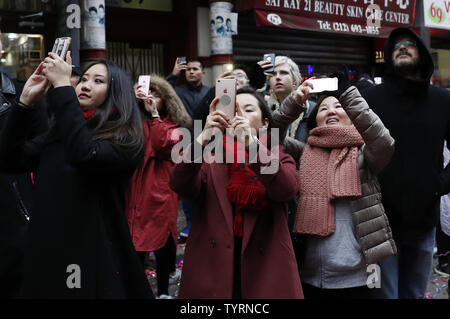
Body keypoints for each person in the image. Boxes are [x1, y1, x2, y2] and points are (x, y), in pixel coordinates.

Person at [0, 52, 153, 298]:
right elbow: (9, 159)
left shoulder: (124, 138)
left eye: (98, 81)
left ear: (116, 92)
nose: (85, 85)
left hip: (91, 254)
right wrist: (25, 103)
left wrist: (62, 88)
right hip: (47, 248)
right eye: (84, 79)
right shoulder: (62, 129)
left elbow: (85, 153)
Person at [169, 87, 303, 299]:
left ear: (265, 123)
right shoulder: (209, 156)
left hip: (265, 265)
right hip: (214, 265)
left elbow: (286, 189)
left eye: (248, 110)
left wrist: (251, 144)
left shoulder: (277, 152)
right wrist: (203, 137)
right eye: (233, 110)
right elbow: (179, 183)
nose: (238, 116)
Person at [273, 72, 396, 299]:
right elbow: (270, 138)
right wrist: (295, 102)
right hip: (307, 274)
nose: (331, 111)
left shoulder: (365, 154)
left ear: (352, 115)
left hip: (362, 274)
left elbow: (384, 142)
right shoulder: (302, 152)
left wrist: (348, 93)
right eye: (323, 108)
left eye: (339, 106)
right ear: (315, 120)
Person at [361, 27, 450, 299]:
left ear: (421, 52)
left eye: (409, 44)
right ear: (388, 54)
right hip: (378, 222)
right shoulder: (370, 99)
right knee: (383, 296)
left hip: (423, 222)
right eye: (396, 44)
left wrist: (439, 184)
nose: (402, 47)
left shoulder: (443, 100)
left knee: (413, 293)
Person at [127, 75, 192, 299]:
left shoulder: (176, 126)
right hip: (135, 188)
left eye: (156, 94)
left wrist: (154, 115)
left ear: (166, 100)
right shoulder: (132, 120)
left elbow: (162, 145)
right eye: (147, 92)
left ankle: (163, 291)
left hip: (161, 189)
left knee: (164, 241)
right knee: (134, 240)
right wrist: (129, 99)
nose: (150, 98)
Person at [167, 58, 210, 239]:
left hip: (208, 140)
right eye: (188, 69)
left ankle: (206, 220)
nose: (191, 72)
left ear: (203, 73)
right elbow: (163, 93)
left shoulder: (210, 92)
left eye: (195, 69)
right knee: (187, 179)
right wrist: (174, 75)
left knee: (207, 180)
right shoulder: (178, 91)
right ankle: (190, 222)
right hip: (184, 139)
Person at [266, 56, 315, 143]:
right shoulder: (263, 109)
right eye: (273, 74)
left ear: (294, 80)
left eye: (284, 73)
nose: (277, 77)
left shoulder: (312, 109)